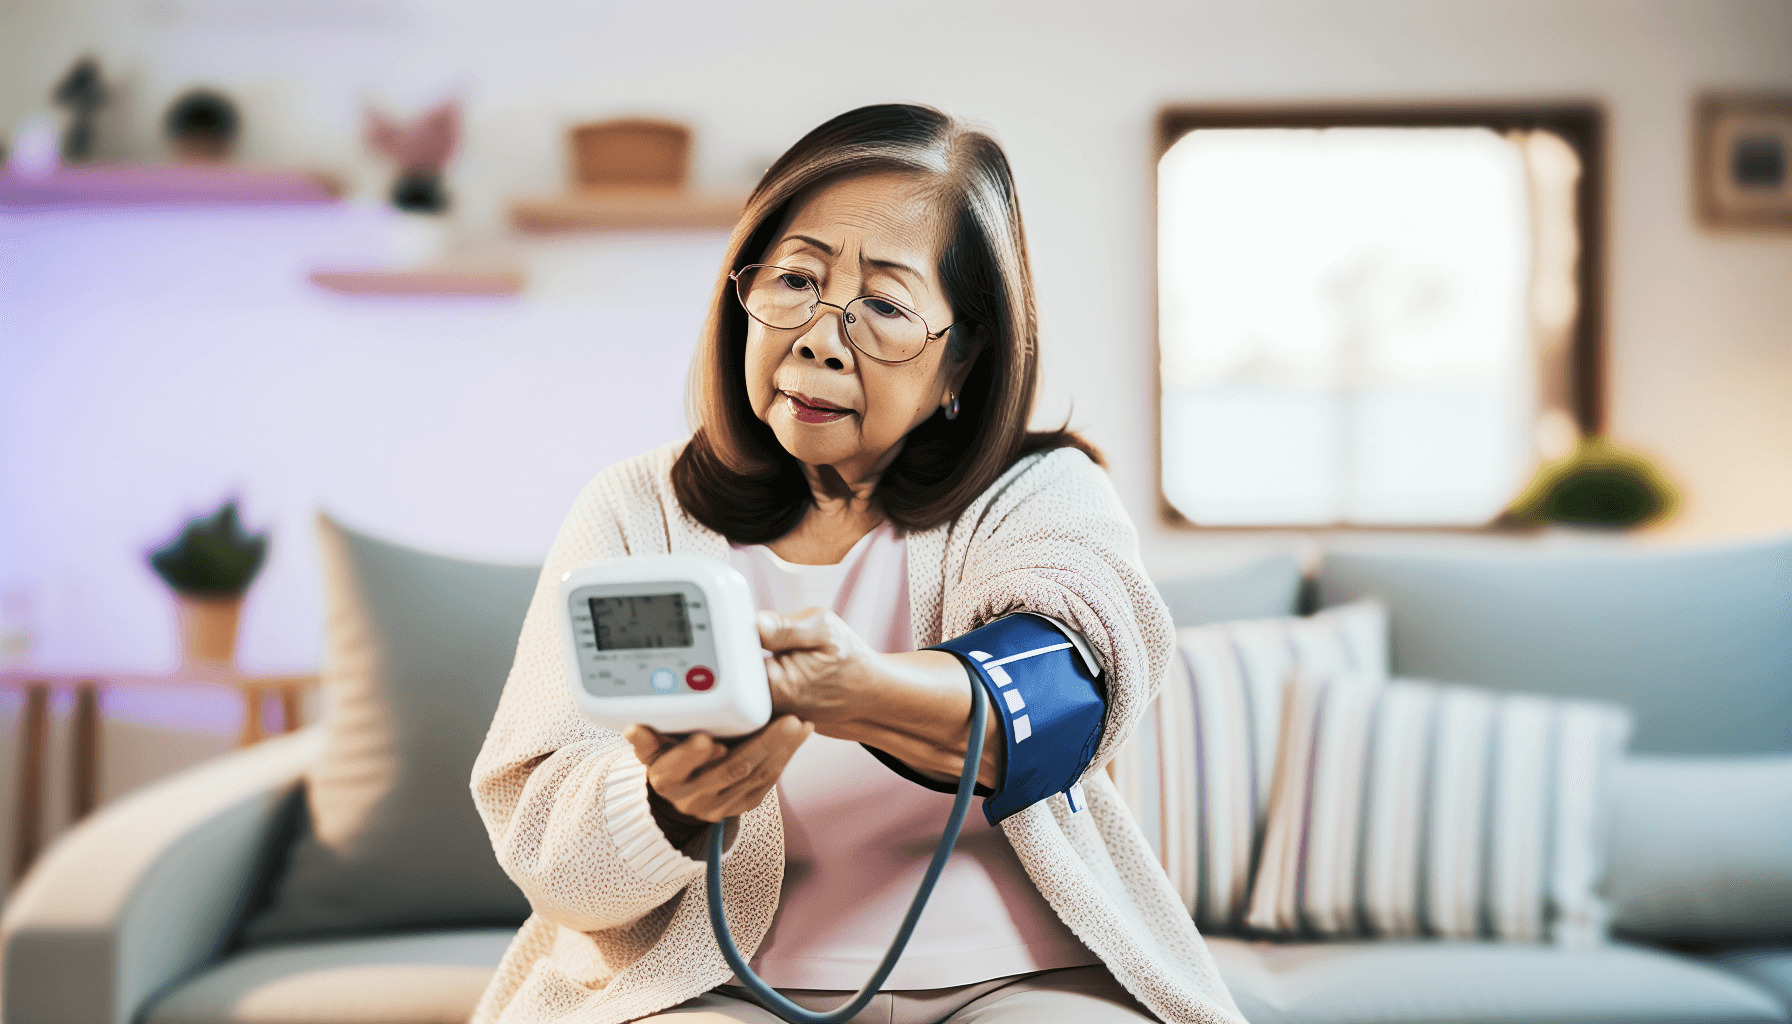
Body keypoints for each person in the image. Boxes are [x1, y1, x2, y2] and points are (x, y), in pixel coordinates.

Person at [470, 104, 1241, 1024]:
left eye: (883, 304)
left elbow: (1069, 693)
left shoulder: (1037, 490)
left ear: (960, 359)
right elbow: (546, 851)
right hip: (703, 981)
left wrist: (861, 688)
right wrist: (667, 808)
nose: (818, 338)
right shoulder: (635, 508)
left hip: (1017, 972)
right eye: (795, 280)